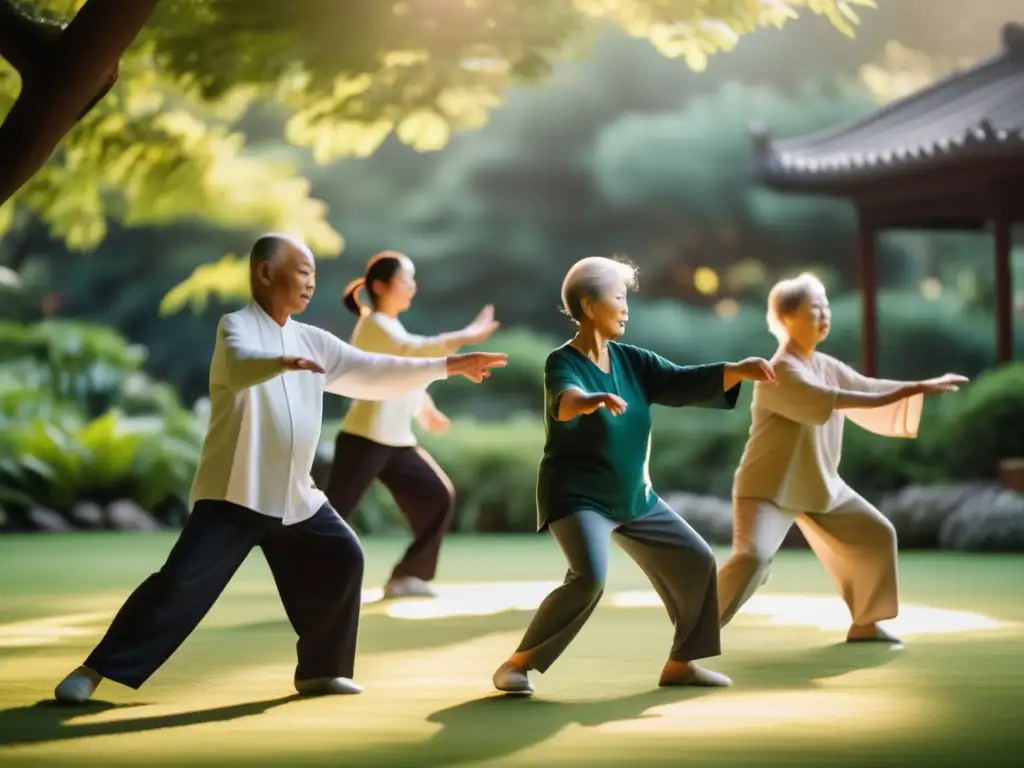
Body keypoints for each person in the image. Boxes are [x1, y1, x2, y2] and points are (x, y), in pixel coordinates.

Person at [52, 234, 508, 704]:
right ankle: (93, 671)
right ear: (266, 274)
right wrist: (279, 362)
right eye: (303, 272)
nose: (311, 283)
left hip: (296, 496)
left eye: (313, 274)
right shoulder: (236, 327)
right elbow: (241, 365)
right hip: (236, 493)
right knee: (178, 586)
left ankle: (321, 671)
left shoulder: (312, 338)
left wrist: (451, 366)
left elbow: (375, 370)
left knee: (343, 556)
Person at [491, 256, 776, 696]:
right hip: (577, 496)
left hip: (634, 497)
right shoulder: (560, 362)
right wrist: (589, 401)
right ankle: (518, 664)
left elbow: (679, 381)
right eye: (619, 298)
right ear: (589, 307)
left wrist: (736, 371)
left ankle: (682, 663)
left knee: (697, 561)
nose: (626, 308)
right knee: (588, 578)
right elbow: (564, 401)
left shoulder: (633, 361)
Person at [717, 272, 967, 643]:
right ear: (788, 319)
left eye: (826, 306)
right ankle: (696, 630)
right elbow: (842, 399)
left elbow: (866, 387)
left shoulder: (824, 364)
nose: (824, 315)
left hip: (819, 485)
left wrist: (912, 388)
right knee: (751, 560)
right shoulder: (780, 371)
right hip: (768, 489)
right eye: (815, 308)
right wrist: (913, 388)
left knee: (876, 535)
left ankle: (865, 622)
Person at [325, 251, 501, 599]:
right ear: (380, 286)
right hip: (364, 439)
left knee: (437, 498)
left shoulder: (391, 325)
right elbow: (413, 351)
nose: (413, 286)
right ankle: (307, 579)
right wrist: (466, 335)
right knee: (332, 517)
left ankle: (407, 576)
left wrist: (426, 410)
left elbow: (406, 372)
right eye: (407, 280)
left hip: (397, 442)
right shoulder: (373, 324)